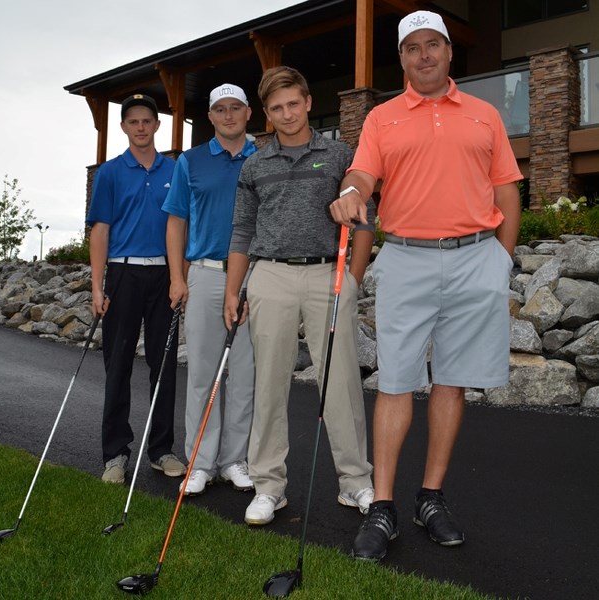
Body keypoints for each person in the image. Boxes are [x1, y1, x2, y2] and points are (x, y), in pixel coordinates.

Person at [329, 10, 522, 560]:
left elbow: (507, 192)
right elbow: (363, 175)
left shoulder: (485, 115)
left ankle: (430, 499)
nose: (424, 55)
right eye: (412, 48)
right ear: (403, 58)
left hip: (474, 259)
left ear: (448, 51)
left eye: (432, 44)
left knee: (453, 381)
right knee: (395, 382)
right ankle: (383, 507)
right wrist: (350, 191)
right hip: (408, 259)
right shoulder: (382, 119)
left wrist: (499, 264)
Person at [224, 66, 374, 526]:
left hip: (328, 275)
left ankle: (355, 483)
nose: (287, 114)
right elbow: (242, 231)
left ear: (308, 101)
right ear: (266, 115)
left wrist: (354, 277)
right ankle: (269, 487)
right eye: (276, 108)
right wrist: (234, 290)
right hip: (269, 276)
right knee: (268, 384)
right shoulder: (254, 165)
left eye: (293, 103)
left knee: (342, 382)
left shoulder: (338, 154)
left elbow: (364, 218)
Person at [162, 83, 256, 496]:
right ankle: (200, 462)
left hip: (256, 276)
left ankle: (235, 460)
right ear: (212, 117)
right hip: (205, 273)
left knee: (246, 374)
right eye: (221, 109)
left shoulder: (264, 157)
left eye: (236, 108)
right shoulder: (192, 160)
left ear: (249, 113)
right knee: (202, 373)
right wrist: (177, 277)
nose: (229, 115)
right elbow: (176, 221)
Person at [87, 93, 186, 485]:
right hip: (123, 275)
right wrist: (97, 287)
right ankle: (115, 454)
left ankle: (161, 450)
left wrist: (181, 276)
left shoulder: (175, 170)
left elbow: (182, 226)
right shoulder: (111, 172)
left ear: (157, 125)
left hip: (164, 276)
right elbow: (100, 231)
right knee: (119, 366)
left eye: (148, 121)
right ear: (125, 127)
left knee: (163, 368)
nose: (141, 127)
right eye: (134, 122)